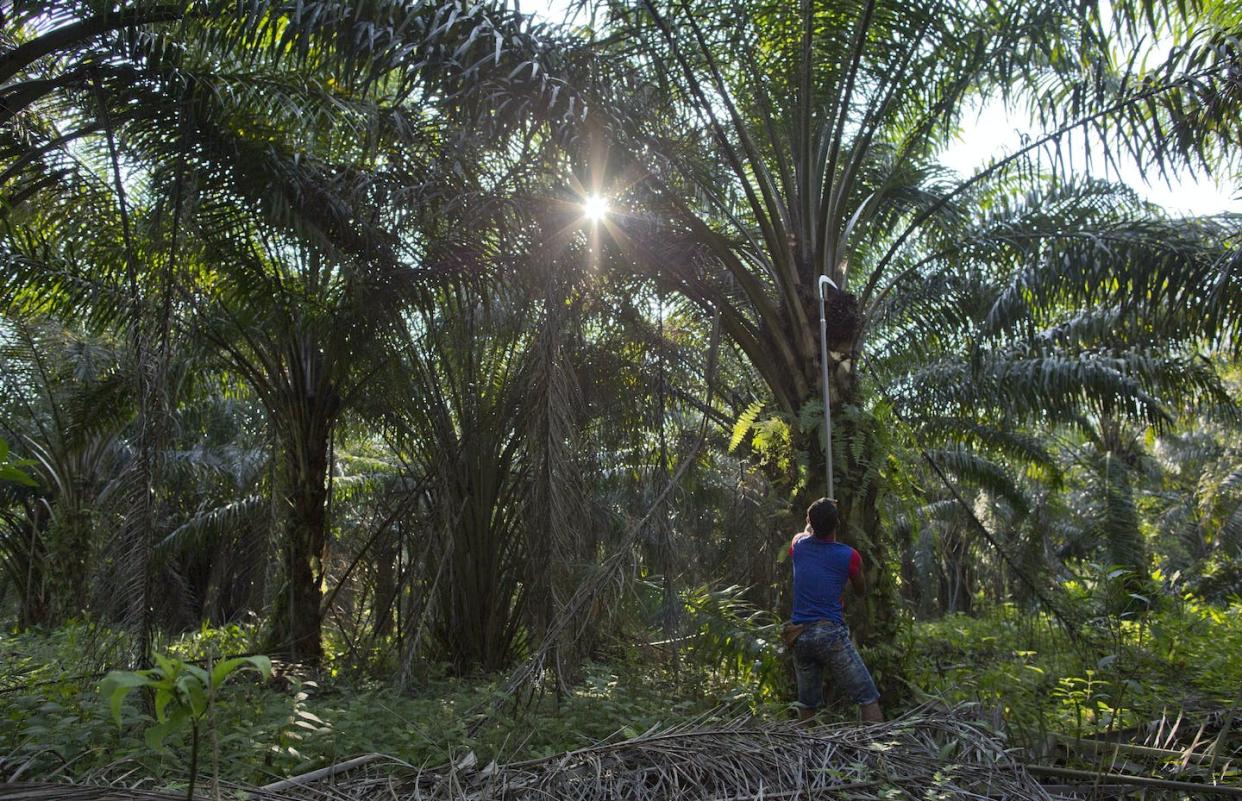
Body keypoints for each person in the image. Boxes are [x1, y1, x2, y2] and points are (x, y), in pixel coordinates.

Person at [785, 497, 883, 723]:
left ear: (809, 521)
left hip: (799, 636)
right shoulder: (849, 556)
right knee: (867, 697)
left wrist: (814, 514)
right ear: (837, 524)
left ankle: (802, 756)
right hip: (830, 635)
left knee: (807, 703)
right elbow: (861, 590)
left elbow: (804, 532)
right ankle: (882, 754)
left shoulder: (799, 546)